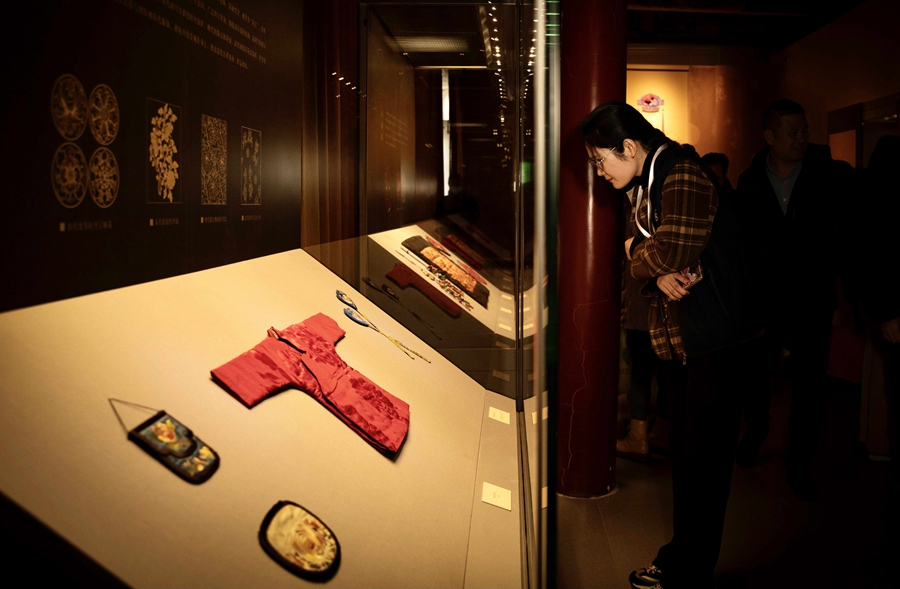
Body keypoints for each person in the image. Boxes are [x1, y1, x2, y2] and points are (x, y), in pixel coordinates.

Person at [580, 102, 761, 589]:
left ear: (630, 147)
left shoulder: (680, 173)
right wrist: (653, 270)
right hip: (687, 343)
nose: (599, 172)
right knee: (687, 461)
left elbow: (671, 250)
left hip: (715, 345)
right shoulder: (645, 182)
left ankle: (687, 570)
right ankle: (683, 560)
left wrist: (642, 258)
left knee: (702, 469)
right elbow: (654, 255)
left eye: (602, 160)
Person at [735, 99, 853, 500]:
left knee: (809, 388)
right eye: (793, 132)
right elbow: (744, 244)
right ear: (770, 137)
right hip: (763, 304)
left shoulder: (824, 176)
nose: (802, 139)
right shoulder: (750, 182)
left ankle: (800, 464)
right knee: (756, 379)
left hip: (812, 300)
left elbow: (843, 232)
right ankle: (756, 431)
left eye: (805, 131)